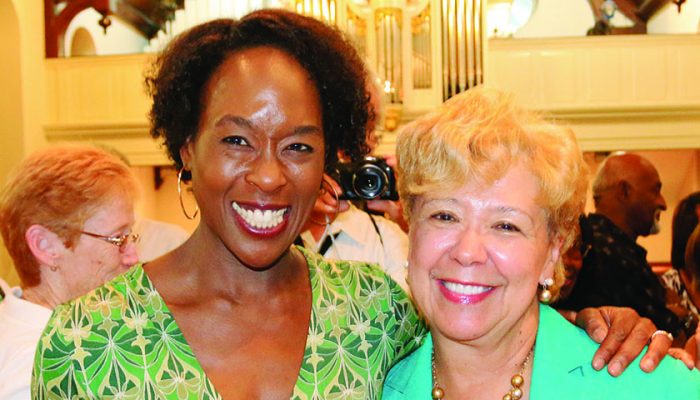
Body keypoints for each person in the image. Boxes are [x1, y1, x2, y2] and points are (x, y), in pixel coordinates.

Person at [30, 11, 683, 399]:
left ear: (328, 162)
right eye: (235, 139)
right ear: (186, 149)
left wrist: (602, 321)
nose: (267, 175)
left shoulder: (371, 312)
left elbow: (489, 322)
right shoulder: (87, 341)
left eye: (298, 145)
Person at [383, 87, 700, 399]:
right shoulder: (370, 384)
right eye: (445, 216)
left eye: (506, 225)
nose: (467, 252)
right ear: (410, 229)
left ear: (552, 253)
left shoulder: (655, 388)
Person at [0, 145, 139, 399]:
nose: (133, 257)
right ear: (45, 246)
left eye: (131, 235)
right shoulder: (39, 365)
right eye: (118, 239)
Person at [559, 152, 683, 338]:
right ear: (624, 191)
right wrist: (677, 316)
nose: (663, 203)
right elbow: (662, 333)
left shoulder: (618, 251)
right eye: (655, 190)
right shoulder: (599, 254)